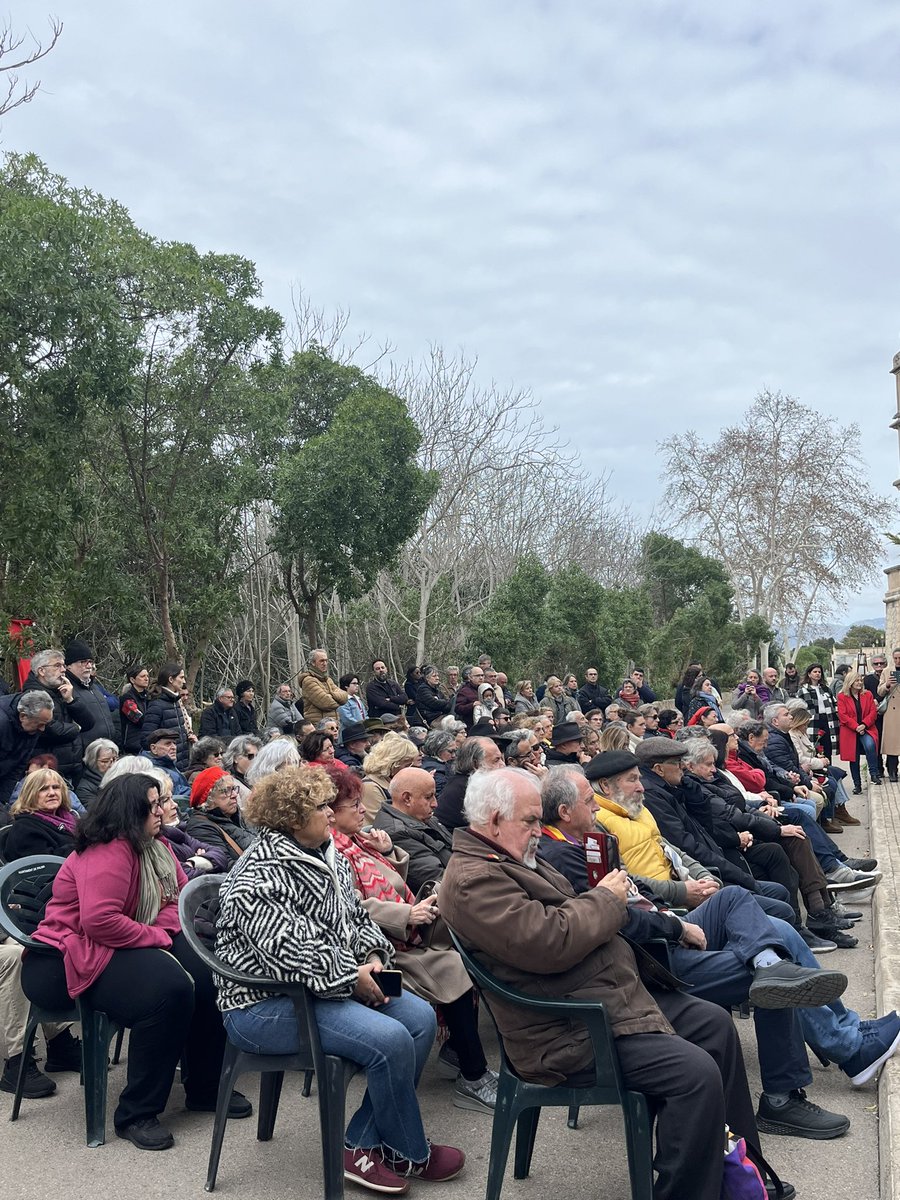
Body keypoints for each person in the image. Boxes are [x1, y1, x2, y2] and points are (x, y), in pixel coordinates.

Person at [439, 766, 786, 1200]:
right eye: (530, 820)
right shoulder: (476, 879)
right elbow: (551, 941)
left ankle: (737, 1171)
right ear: (493, 821)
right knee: (694, 1074)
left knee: (714, 1025)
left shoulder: (509, 857)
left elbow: (567, 917)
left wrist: (605, 903)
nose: (537, 829)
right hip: (568, 1029)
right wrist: (607, 898)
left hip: (602, 998)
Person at [544, 761, 899, 1096]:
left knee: (773, 927)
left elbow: (641, 881)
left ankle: (848, 1031)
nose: (596, 808)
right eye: (590, 801)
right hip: (652, 956)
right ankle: (790, 1091)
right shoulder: (567, 855)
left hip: (666, 919)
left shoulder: (589, 840)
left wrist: (684, 893)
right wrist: (675, 923)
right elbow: (618, 917)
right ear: (564, 813)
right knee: (774, 967)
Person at [214, 766, 465, 1193]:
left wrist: (371, 955)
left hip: (322, 985)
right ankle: (410, 1152)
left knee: (420, 1017)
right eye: (320, 808)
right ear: (293, 819)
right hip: (261, 1004)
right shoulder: (256, 875)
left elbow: (356, 917)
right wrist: (352, 978)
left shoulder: (325, 853)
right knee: (390, 1040)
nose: (331, 816)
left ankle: (361, 1144)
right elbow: (289, 953)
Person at [21, 774, 250, 1151]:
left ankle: (205, 1087)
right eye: (153, 804)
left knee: (209, 975)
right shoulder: (108, 850)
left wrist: (157, 929)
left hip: (120, 939)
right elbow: (99, 921)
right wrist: (157, 936)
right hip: (62, 958)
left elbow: (177, 901)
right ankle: (136, 1113)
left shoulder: (155, 846)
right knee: (167, 990)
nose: (162, 810)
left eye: (161, 801)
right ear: (130, 811)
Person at [326, 766, 497, 1113]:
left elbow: (389, 887)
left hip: (397, 934)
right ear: (329, 812)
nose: (363, 810)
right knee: (454, 962)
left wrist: (388, 854)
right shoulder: (332, 852)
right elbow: (351, 907)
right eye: (354, 804)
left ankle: (459, 1053)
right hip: (378, 949)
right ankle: (473, 1074)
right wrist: (407, 915)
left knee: (475, 936)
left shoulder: (359, 842)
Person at [374, 767, 455, 895]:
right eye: (428, 797)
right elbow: (438, 879)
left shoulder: (420, 816)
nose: (435, 804)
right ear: (407, 798)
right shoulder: (396, 833)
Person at [21, 648, 87, 784]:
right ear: (41, 671)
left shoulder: (64, 692)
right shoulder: (33, 694)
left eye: (63, 665)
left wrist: (71, 700)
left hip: (73, 768)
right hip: (48, 770)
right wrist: (76, 728)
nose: (63, 670)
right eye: (57, 665)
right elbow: (50, 729)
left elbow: (89, 723)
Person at [183, 767, 254, 863]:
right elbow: (226, 865)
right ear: (209, 798)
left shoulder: (236, 815)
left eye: (233, 789)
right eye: (226, 791)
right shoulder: (200, 827)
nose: (234, 795)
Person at [4, 768, 78, 860]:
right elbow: (44, 866)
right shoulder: (24, 828)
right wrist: (80, 845)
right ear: (30, 794)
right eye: (43, 789)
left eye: (55, 787)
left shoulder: (72, 818)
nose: (52, 793)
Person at [434, 736, 503, 830]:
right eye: (496, 760)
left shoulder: (463, 781)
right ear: (476, 764)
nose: (503, 765)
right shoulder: (470, 788)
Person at [0, 690, 55, 808]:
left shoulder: (31, 728)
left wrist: (2, 800)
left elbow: (18, 765)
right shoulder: (2, 722)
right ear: (23, 716)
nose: (43, 730)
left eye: (46, 724)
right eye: (40, 724)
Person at [64, 641, 120, 748]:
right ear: (69, 666)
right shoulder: (66, 690)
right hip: (84, 752)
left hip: (106, 750)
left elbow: (115, 703)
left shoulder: (95, 687)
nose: (89, 666)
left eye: (90, 661)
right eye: (83, 662)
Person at [141, 663, 192, 773]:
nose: (184, 682)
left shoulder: (177, 702)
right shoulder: (157, 705)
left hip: (181, 765)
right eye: (181, 677)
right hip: (165, 768)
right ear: (171, 679)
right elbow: (146, 739)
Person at [360, 733, 421, 822]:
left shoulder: (394, 781)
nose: (410, 769)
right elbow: (381, 824)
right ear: (392, 764)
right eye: (407, 765)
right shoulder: (371, 787)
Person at [838, 671, 882, 792]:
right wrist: (856, 727)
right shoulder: (842, 696)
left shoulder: (867, 694)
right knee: (854, 757)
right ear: (850, 682)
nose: (859, 682)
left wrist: (863, 725)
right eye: (856, 680)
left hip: (866, 728)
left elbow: (873, 712)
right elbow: (843, 715)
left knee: (870, 745)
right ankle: (857, 784)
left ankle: (874, 774)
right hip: (850, 730)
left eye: (860, 680)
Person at [798, 664, 840, 761]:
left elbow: (835, 704)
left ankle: (829, 771)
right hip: (812, 722)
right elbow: (799, 708)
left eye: (819, 672)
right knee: (814, 747)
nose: (817, 674)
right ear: (809, 674)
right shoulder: (803, 690)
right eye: (815, 672)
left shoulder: (826, 689)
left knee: (827, 747)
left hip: (828, 720)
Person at [298, 649, 348, 726]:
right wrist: (338, 699)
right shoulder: (308, 681)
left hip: (334, 725)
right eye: (321, 661)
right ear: (313, 663)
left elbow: (345, 697)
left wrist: (330, 695)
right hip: (319, 726)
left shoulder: (328, 680)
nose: (324, 663)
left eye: (326, 661)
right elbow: (327, 703)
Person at [140, 727, 191, 800]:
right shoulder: (153, 770)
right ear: (154, 748)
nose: (174, 747)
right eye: (168, 744)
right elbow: (175, 795)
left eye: (174, 743)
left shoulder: (167, 763)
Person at [876, 648, 900, 783]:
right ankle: (892, 772)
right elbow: (879, 692)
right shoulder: (886, 671)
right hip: (892, 712)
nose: (897, 661)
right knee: (892, 745)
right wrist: (887, 685)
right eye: (895, 658)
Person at [119, 663, 151, 755]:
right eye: (142, 676)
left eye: (147, 676)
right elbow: (139, 719)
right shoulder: (127, 699)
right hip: (133, 746)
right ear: (132, 679)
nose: (146, 678)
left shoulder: (149, 697)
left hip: (148, 743)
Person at [78, 738, 119, 806]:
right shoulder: (84, 789)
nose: (112, 765)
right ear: (92, 761)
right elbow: (95, 812)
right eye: (105, 761)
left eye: (114, 759)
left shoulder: (121, 777)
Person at [419, 730, 456, 795]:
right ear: (438, 750)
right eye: (450, 751)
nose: (454, 755)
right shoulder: (436, 771)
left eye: (455, 751)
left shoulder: (424, 762)